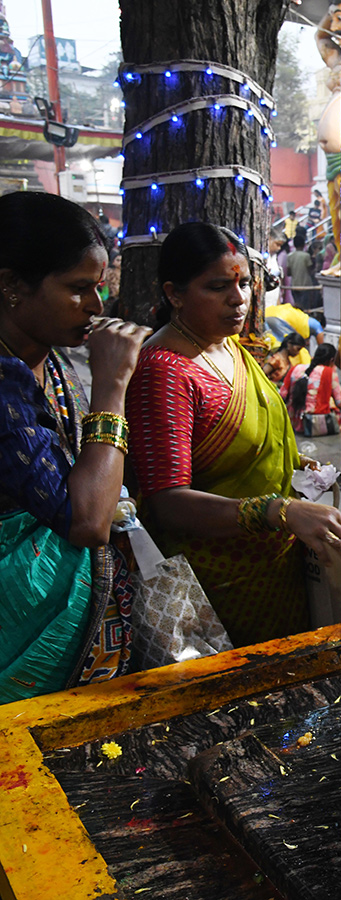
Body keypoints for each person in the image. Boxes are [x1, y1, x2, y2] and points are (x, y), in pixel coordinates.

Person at [127, 222, 341, 647]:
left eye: (244, 284)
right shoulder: (165, 370)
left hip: (274, 564)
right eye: (218, 287)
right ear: (174, 293)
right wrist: (275, 511)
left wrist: (297, 468)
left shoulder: (228, 345)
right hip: (215, 584)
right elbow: (167, 503)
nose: (238, 300)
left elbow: (255, 445)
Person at [0, 192, 150, 702]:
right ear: (11, 285)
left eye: (99, 288)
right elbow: (86, 520)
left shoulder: (49, 356)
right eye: (78, 289)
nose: (97, 307)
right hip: (16, 628)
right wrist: (113, 384)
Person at [282, 342, 341, 434]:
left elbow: (282, 395)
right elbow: (339, 402)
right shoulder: (329, 372)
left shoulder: (296, 368)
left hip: (293, 422)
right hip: (316, 424)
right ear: (331, 360)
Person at [264, 297, 324, 362]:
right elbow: (323, 347)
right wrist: (320, 360)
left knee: (273, 344)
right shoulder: (315, 324)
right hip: (279, 319)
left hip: (267, 313)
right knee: (300, 353)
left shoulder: (299, 316)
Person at [287, 232, 318, 310]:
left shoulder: (290, 256)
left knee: (296, 306)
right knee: (305, 307)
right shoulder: (306, 256)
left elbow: (288, 272)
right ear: (304, 244)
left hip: (294, 285)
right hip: (305, 285)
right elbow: (310, 270)